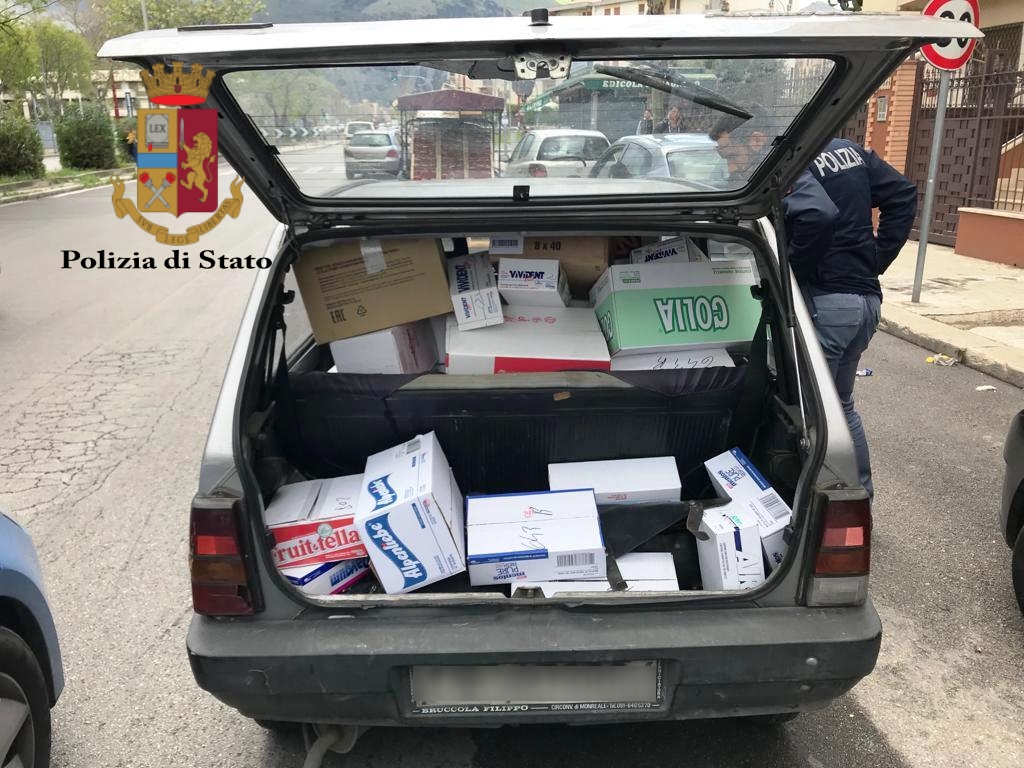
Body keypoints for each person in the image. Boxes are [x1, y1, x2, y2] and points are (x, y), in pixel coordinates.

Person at [710, 111, 917, 499]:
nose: (730, 167)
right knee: (840, 408)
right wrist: (875, 260)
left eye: (730, 156)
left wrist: (789, 276)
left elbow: (816, 215)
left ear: (756, 140)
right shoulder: (847, 150)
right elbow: (904, 195)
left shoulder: (789, 163)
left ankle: (817, 505)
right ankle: (858, 498)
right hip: (864, 302)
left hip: (829, 303)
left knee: (811, 417)